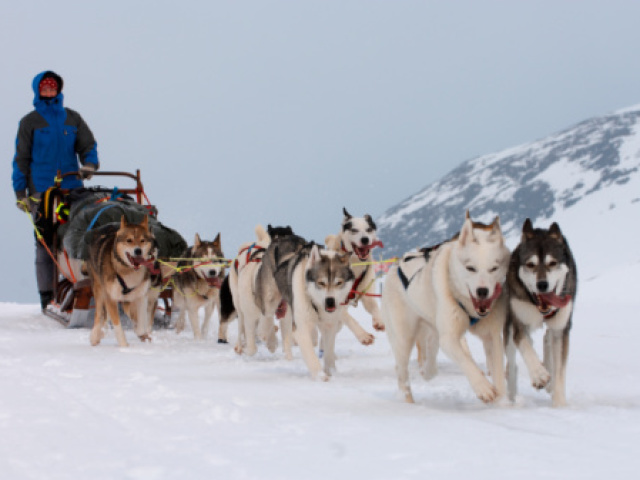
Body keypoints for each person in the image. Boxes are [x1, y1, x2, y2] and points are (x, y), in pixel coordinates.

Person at [12, 70, 100, 310]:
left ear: (59, 90)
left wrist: (89, 164)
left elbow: (88, 144)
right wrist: (21, 194)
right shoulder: (29, 122)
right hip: (42, 192)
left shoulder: (72, 118)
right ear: (38, 91)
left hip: (72, 190)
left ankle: (83, 286)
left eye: (53, 87)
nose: (49, 91)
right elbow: (21, 159)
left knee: (78, 235)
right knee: (45, 242)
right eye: (45, 88)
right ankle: (47, 296)